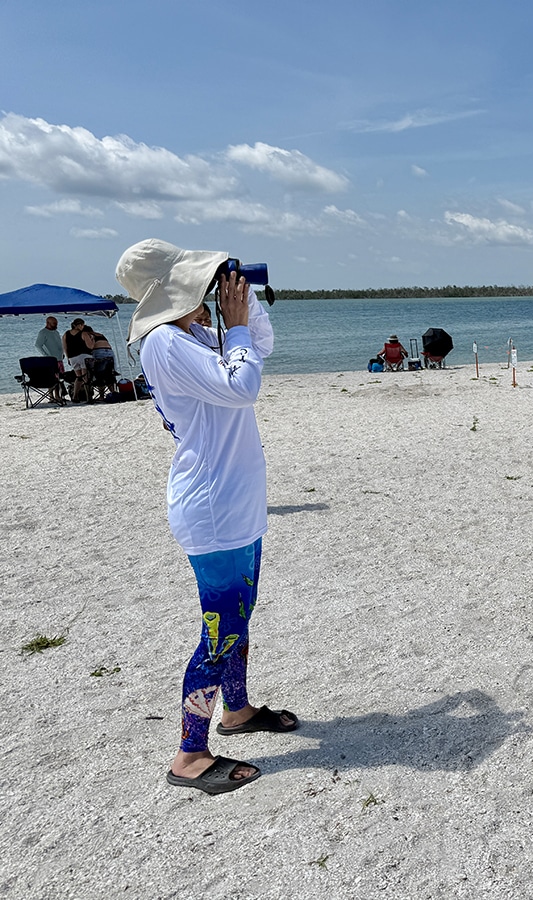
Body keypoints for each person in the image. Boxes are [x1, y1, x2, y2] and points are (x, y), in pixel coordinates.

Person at [116, 238, 296, 795]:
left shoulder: (192, 334)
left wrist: (243, 309)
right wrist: (234, 328)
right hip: (213, 506)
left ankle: (236, 711)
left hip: (233, 502)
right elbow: (242, 386)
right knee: (219, 631)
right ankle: (189, 754)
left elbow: (259, 347)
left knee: (238, 618)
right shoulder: (166, 342)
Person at [33, 316, 65, 402]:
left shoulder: (56, 332)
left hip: (59, 358)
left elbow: (59, 344)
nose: (56, 325)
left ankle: (59, 395)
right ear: (48, 323)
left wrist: (62, 353)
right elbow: (38, 345)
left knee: (59, 378)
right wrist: (46, 355)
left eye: (56, 323)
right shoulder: (43, 333)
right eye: (54, 323)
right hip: (50, 359)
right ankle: (52, 396)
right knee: (52, 378)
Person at [83, 326, 118, 401]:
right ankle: (113, 392)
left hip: (99, 351)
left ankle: (101, 396)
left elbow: (90, 346)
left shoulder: (88, 335)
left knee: (99, 374)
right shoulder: (100, 334)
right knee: (109, 373)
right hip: (110, 352)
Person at [62, 318, 93, 402]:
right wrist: (92, 340)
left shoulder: (66, 334)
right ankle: (88, 397)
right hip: (83, 356)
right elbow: (90, 346)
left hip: (72, 357)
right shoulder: (83, 333)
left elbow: (65, 347)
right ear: (79, 325)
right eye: (83, 325)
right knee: (85, 377)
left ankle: (75, 396)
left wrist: (68, 358)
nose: (83, 326)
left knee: (78, 377)